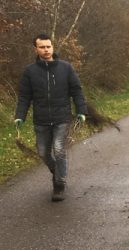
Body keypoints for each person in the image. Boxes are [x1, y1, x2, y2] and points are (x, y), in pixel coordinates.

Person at [14, 33, 87, 202]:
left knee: (59, 149)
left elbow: (76, 90)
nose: (46, 50)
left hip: (62, 117)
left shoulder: (65, 68)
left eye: (48, 46)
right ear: (36, 49)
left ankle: (59, 185)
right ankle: (57, 172)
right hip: (41, 120)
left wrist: (81, 111)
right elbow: (25, 96)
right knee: (42, 152)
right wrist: (20, 116)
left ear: (52, 47)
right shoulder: (30, 72)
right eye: (42, 47)